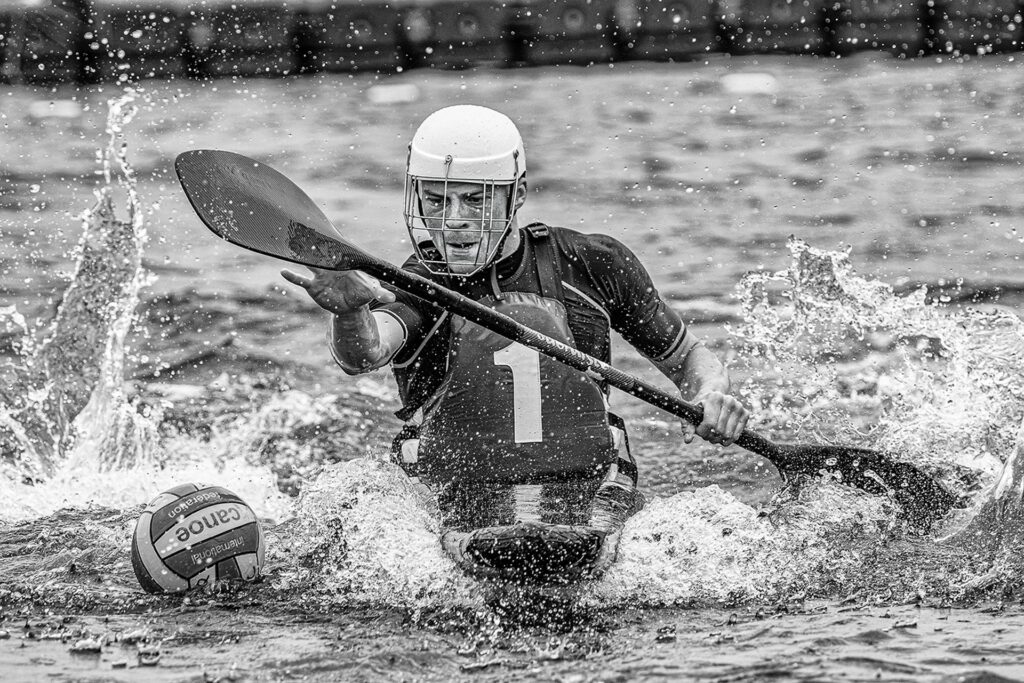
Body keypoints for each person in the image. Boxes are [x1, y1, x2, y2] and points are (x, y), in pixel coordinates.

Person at [281, 105, 749, 579]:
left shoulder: (593, 265)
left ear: (517, 194)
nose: (455, 221)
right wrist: (350, 310)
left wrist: (710, 396)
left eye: (475, 200)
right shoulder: (413, 286)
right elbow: (366, 352)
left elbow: (689, 357)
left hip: (590, 479)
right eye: (438, 201)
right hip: (456, 485)